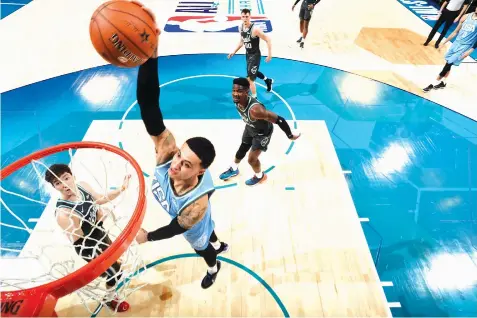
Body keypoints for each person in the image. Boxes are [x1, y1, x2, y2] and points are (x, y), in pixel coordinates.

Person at [132, 5, 229, 290]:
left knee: (203, 246)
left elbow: (176, 228)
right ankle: (220, 241)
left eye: (186, 164)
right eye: (179, 155)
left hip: (194, 221)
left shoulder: (195, 208)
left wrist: (146, 237)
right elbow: (149, 103)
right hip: (201, 193)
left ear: (201, 171)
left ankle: (215, 266)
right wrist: (150, 54)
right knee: (212, 227)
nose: (175, 164)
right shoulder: (167, 154)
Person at [45, 164, 131, 312]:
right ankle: (110, 298)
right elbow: (80, 239)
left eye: (66, 178)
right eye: (58, 183)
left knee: (113, 263)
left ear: (73, 176)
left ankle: (109, 268)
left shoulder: (82, 186)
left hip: (99, 233)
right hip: (87, 245)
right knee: (115, 272)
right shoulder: (63, 213)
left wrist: (121, 189)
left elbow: (100, 198)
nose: (64, 185)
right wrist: (99, 219)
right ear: (54, 187)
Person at [219, 77, 301, 186]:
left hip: (262, 134)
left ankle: (260, 176)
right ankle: (234, 168)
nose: (235, 94)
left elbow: (279, 119)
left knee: (252, 160)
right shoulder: (237, 101)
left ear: (246, 92)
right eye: (233, 91)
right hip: (250, 127)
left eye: (239, 91)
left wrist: (289, 135)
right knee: (243, 146)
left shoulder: (256, 111)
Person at [423, 7, 477, 92]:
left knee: (449, 63)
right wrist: (444, 42)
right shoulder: (466, 17)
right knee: (448, 62)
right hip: (456, 43)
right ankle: (443, 83)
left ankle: (432, 83)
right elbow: (455, 31)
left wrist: (470, 50)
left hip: (465, 47)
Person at [228, 8, 274, 98]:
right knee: (252, 72)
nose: (245, 18)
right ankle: (267, 80)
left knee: (250, 79)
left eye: (247, 16)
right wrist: (233, 52)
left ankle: (254, 98)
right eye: (243, 16)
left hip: (255, 55)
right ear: (241, 17)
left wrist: (270, 54)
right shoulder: (240, 27)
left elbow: (268, 39)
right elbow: (241, 42)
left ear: (250, 17)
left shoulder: (255, 30)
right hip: (248, 54)